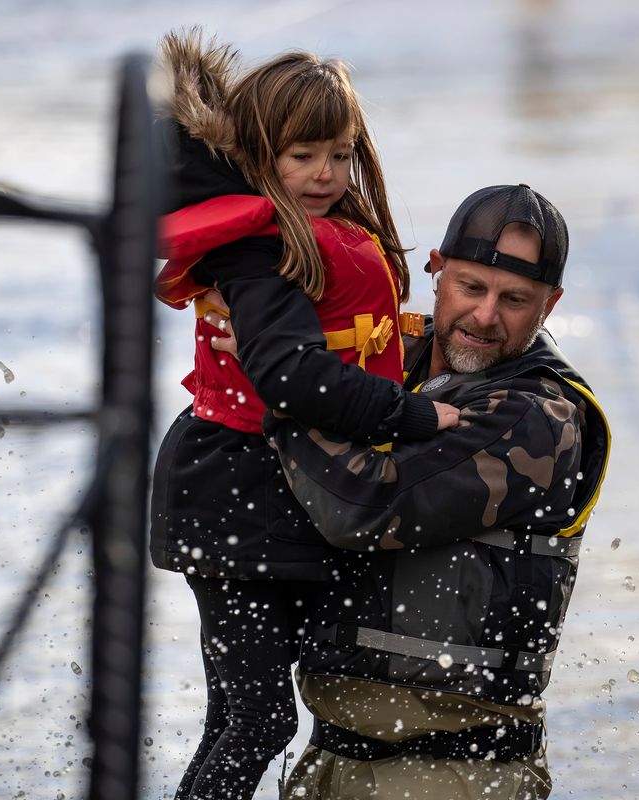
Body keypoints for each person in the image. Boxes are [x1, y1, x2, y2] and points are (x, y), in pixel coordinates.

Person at [148, 29, 458, 800]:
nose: (326, 174)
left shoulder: (307, 234)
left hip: (267, 494)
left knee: (239, 715)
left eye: (340, 154)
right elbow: (292, 377)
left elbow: (352, 341)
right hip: (232, 492)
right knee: (258, 722)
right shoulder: (256, 250)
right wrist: (415, 419)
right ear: (259, 157)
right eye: (302, 156)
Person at [257, 184, 613, 799]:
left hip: (454, 774)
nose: (485, 316)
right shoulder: (395, 356)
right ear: (436, 270)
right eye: (471, 288)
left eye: (516, 300)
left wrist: (281, 390)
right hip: (331, 756)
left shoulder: (538, 416)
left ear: (549, 306)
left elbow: (360, 507)